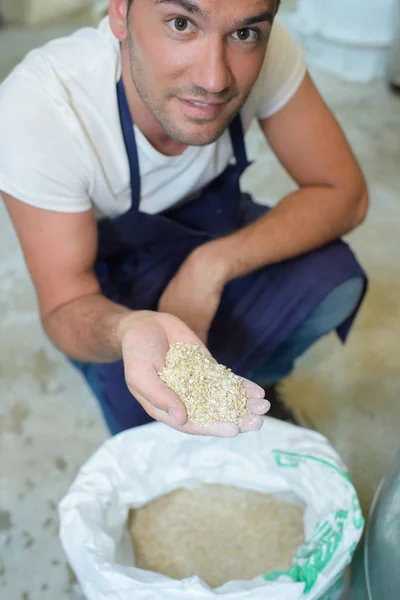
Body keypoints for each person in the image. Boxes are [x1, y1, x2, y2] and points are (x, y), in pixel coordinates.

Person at [0, 0, 368, 437]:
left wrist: (210, 266)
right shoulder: (42, 108)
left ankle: (258, 380)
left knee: (335, 280)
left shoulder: (271, 51)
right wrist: (128, 329)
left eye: (245, 34)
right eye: (181, 24)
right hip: (110, 275)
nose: (214, 79)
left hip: (212, 229)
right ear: (120, 13)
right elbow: (64, 304)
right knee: (152, 417)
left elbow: (345, 193)